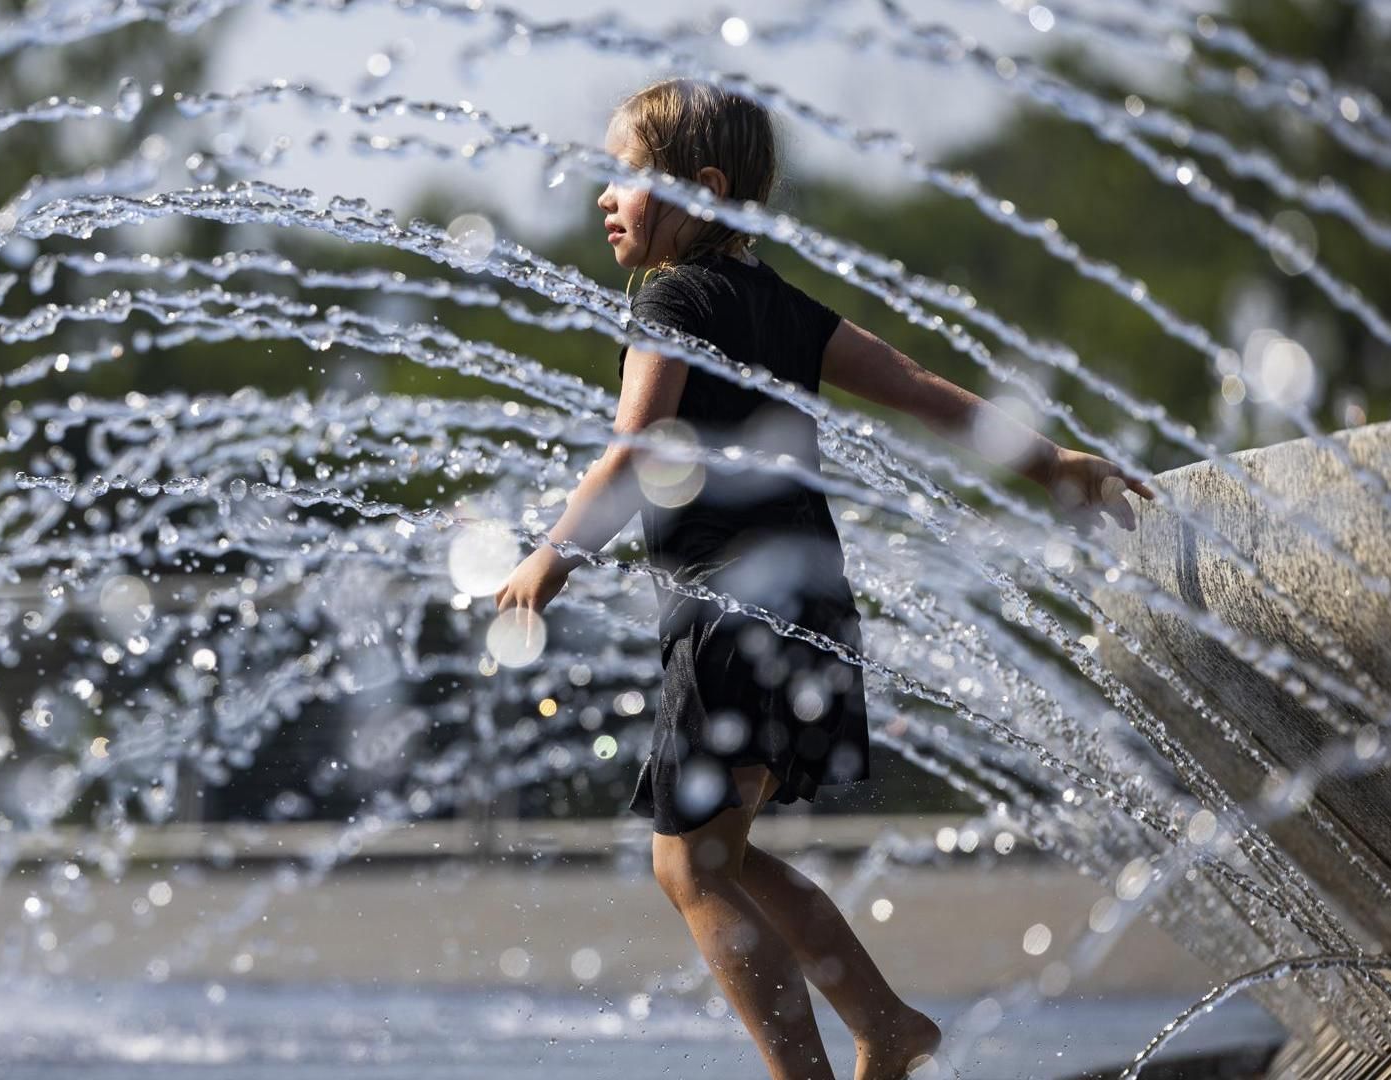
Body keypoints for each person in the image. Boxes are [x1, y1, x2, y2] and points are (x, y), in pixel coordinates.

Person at [490, 77, 1155, 1080]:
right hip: (809, 608)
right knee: (724, 855)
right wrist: (1052, 463)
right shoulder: (784, 307)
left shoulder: (672, 299)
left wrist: (553, 555)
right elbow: (917, 388)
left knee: (689, 864)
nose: (604, 196)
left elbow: (634, 449)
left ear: (703, 190)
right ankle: (885, 1027)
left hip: (727, 615)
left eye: (624, 176)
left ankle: (812, 1068)